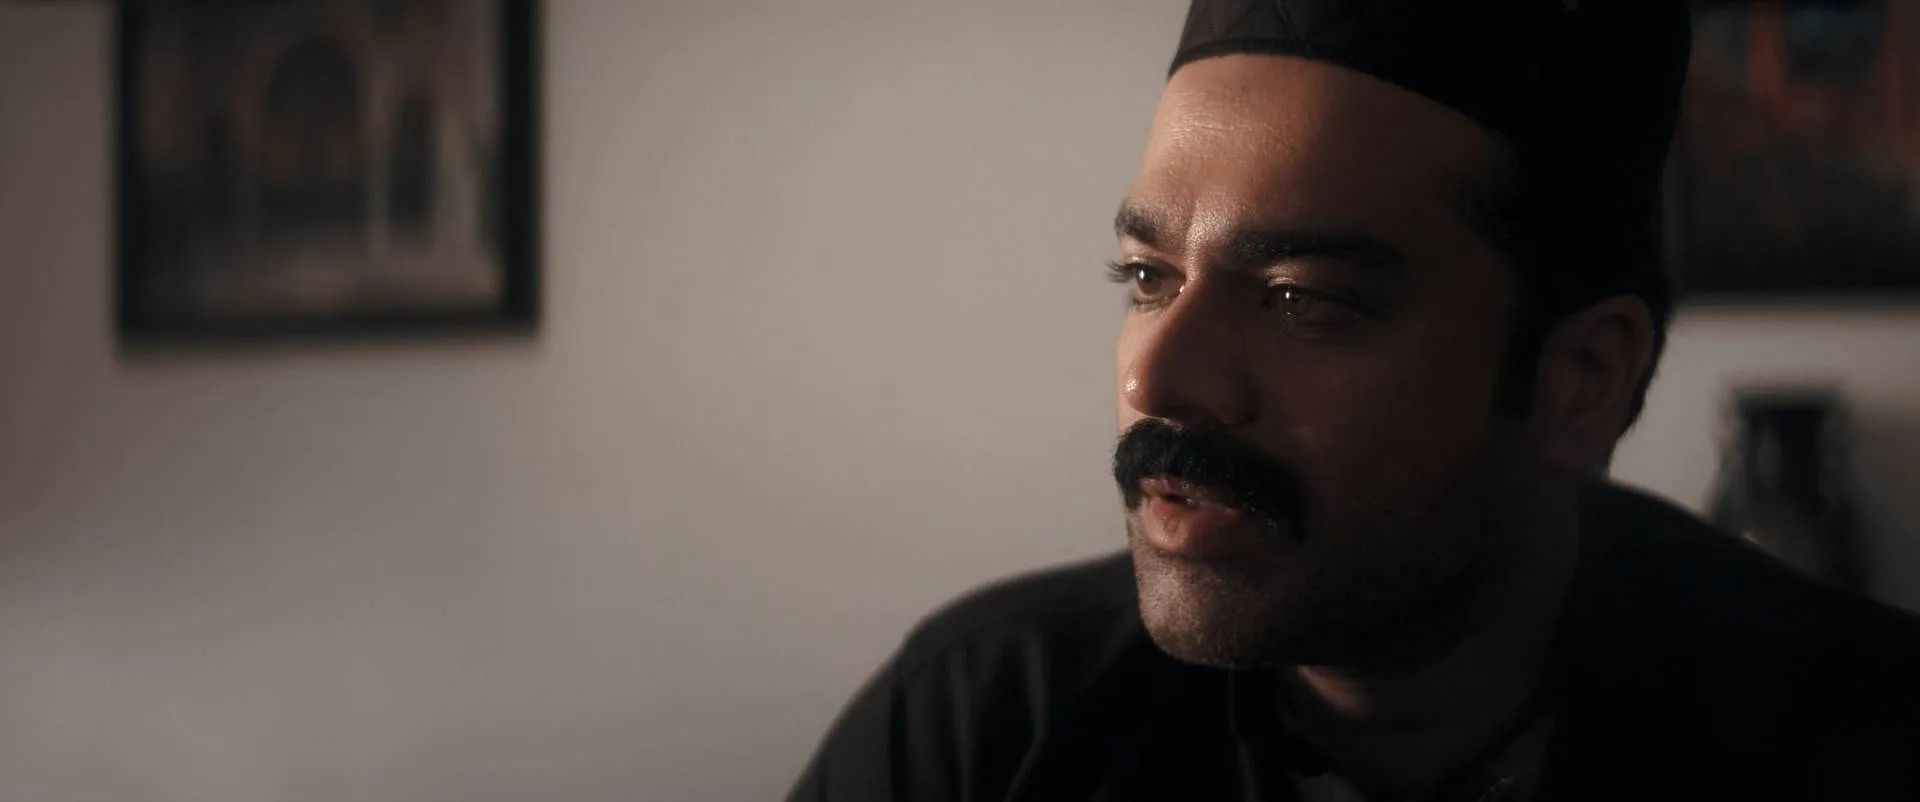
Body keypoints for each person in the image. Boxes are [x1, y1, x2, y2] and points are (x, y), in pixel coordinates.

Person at [787, 1, 1920, 800]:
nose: (1153, 380)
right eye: (1147, 277)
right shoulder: (982, 729)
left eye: (1300, 299)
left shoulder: (1863, 738)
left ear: (1579, 381)